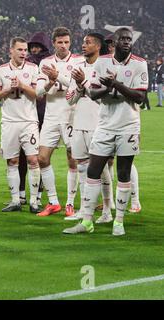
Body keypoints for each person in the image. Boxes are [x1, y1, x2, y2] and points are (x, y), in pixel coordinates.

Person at [63, 27, 148, 236]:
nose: (127, 42)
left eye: (130, 39)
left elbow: (139, 97)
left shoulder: (139, 64)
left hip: (129, 125)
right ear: (114, 43)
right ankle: (87, 221)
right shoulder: (102, 62)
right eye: (123, 39)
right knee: (93, 170)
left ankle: (118, 222)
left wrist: (114, 85)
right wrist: (112, 88)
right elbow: (93, 93)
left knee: (123, 172)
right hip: (105, 125)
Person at [35, 27, 85, 217]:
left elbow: (78, 86)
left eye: (66, 42)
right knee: (42, 158)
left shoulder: (79, 61)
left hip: (72, 115)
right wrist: (49, 83)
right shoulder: (45, 62)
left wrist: (58, 78)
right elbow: (39, 92)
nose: (63, 46)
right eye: (60, 42)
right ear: (53, 43)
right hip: (51, 116)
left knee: (73, 160)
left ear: (70, 42)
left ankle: (70, 203)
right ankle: (53, 202)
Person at [64, 33, 113, 223]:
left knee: (101, 169)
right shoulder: (77, 68)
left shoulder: (105, 67)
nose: (83, 45)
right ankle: (85, 209)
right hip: (79, 124)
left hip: (99, 124)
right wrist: (78, 86)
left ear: (98, 46)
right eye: (83, 42)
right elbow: (69, 100)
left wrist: (83, 82)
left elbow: (104, 98)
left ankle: (107, 211)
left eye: (88, 42)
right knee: (82, 168)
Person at [0, 37, 41, 213]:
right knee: (12, 161)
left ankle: (34, 201)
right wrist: (8, 90)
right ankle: (15, 201)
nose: (23, 53)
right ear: (11, 50)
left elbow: (37, 94)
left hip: (29, 121)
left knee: (33, 160)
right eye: (20, 50)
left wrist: (22, 86)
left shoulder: (33, 68)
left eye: (25, 50)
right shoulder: (1, 70)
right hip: (9, 122)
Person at [17, 32, 53, 207]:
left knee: (37, 157)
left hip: (43, 114)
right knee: (22, 156)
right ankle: (21, 192)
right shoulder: (27, 64)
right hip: (26, 114)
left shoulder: (48, 63)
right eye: (33, 47)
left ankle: (37, 194)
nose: (35, 50)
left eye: (38, 47)